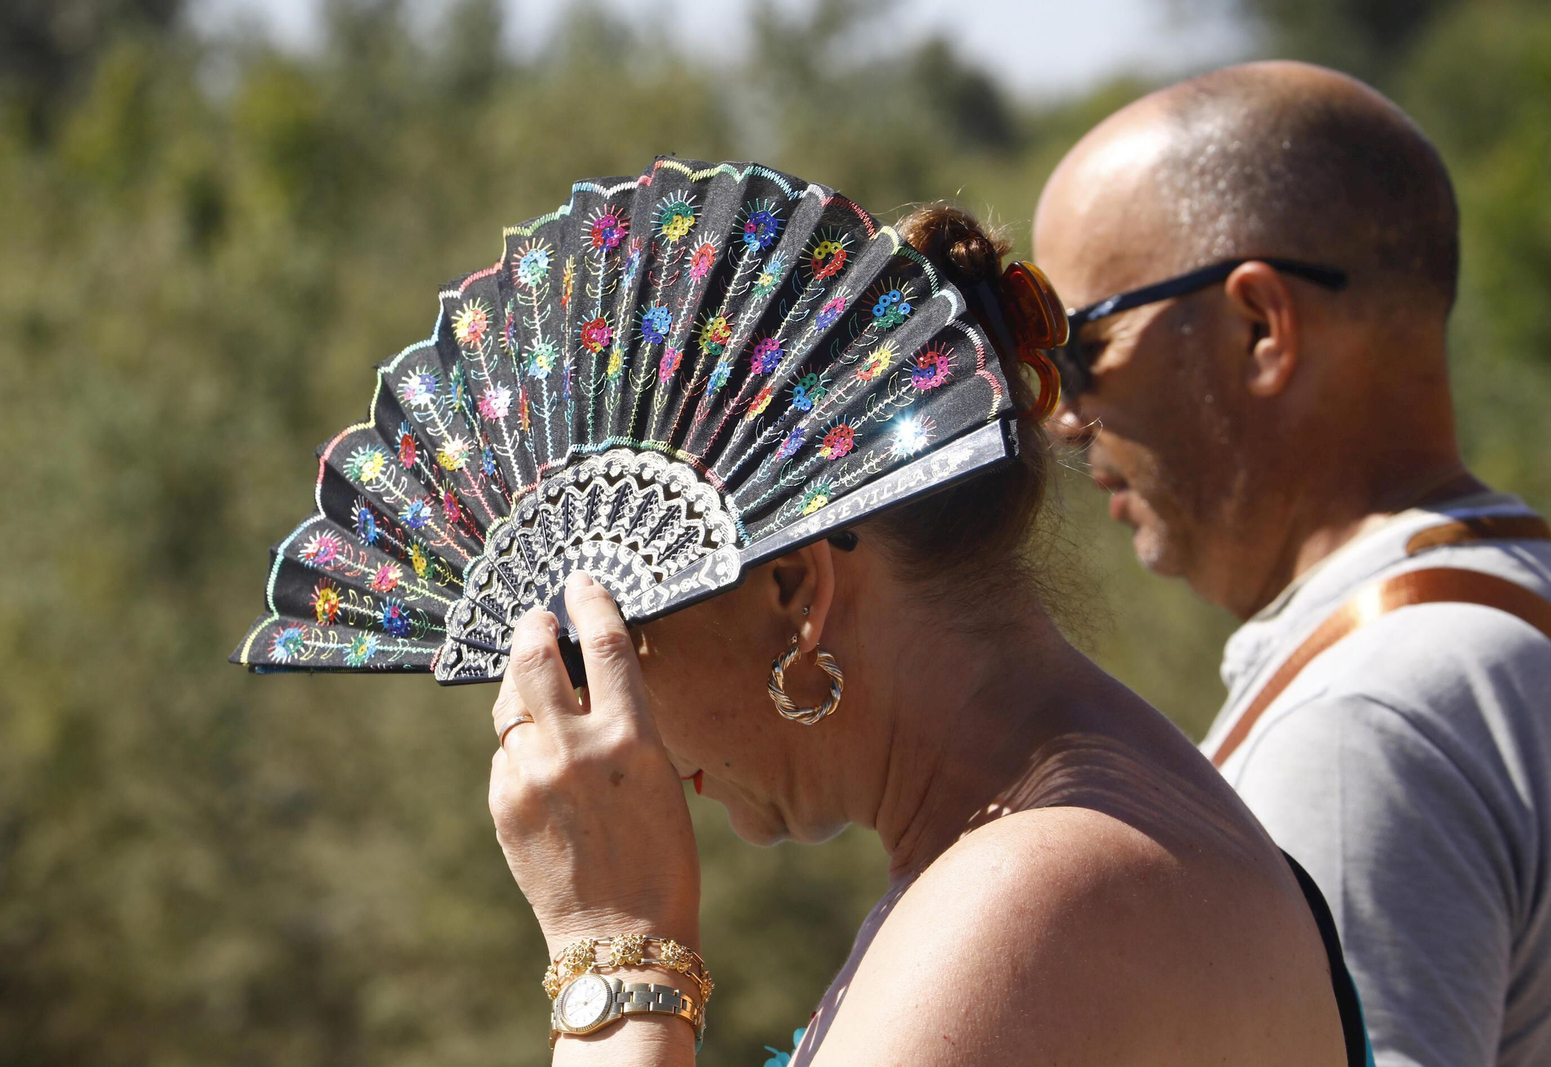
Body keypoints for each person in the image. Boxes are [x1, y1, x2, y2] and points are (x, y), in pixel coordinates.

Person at [485, 205, 1362, 1065]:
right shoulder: (1081, 836)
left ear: (795, 588)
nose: (605, 709)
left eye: (611, 637)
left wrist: (615, 949)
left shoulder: (1029, 896)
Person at [1032, 60, 1551, 1067]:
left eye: (1082, 349)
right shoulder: (1519, 603)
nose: (1066, 418)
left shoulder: (1358, 722)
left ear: (1260, 327)